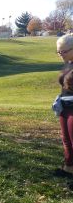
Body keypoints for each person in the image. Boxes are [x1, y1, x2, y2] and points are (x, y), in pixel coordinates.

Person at [56, 33, 73, 174]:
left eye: (64, 51)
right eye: (59, 51)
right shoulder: (68, 63)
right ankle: (68, 169)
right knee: (66, 140)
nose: (61, 54)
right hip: (65, 107)